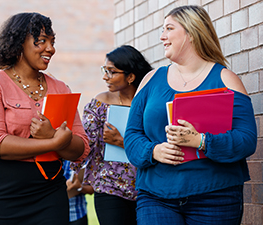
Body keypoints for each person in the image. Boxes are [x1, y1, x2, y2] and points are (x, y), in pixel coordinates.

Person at [124, 5, 257, 225]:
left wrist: (201, 141)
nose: (162, 36)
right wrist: (153, 150)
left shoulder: (226, 79)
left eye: (169, 28)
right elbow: (132, 136)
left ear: (191, 33)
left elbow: (247, 139)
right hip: (156, 195)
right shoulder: (150, 80)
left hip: (216, 196)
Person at [0, 12, 89, 225]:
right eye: (41, 41)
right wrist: (53, 142)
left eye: (52, 42)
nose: (50, 49)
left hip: (49, 193)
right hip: (2, 196)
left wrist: (54, 136)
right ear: (19, 43)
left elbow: (81, 148)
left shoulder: (60, 88)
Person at [72, 45, 153, 225]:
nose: (105, 77)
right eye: (105, 70)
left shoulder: (150, 106)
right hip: (109, 188)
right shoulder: (99, 104)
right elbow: (85, 145)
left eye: (111, 72)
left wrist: (122, 142)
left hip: (147, 187)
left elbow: (157, 144)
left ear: (130, 76)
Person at [63, 160, 94, 225]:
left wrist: (79, 187)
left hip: (77, 213)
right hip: (53, 214)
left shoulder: (81, 160)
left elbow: (92, 189)